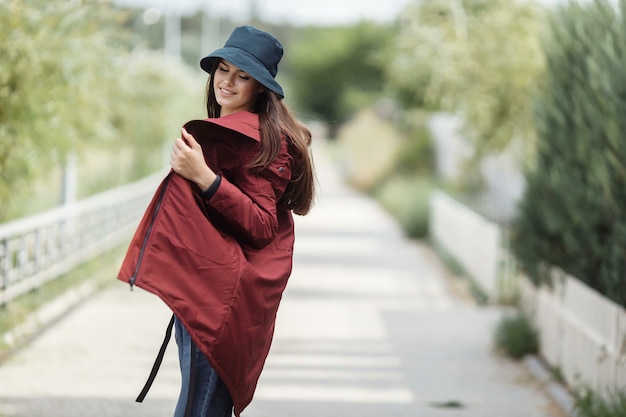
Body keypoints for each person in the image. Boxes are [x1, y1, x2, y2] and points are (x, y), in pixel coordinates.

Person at [117, 26, 315, 417]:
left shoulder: (263, 142)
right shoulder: (232, 134)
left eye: (243, 76)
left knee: (200, 409)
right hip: (208, 293)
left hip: (223, 302)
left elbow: (260, 225)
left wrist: (204, 176)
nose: (228, 81)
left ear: (261, 87)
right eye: (223, 69)